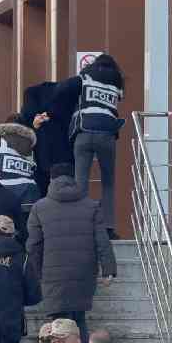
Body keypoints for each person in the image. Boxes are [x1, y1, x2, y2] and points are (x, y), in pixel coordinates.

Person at [26, 163, 117, 343]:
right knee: (79, 319)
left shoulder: (39, 208)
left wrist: (35, 274)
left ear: (51, 179)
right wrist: (108, 269)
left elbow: (34, 245)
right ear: (73, 179)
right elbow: (102, 240)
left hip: (52, 274)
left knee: (57, 324)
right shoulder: (91, 206)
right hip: (83, 272)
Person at [52, 54, 126, 240]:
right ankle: (108, 227)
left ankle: (80, 225)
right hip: (107, 136)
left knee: (81, 181)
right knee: (108, 182)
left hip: (84, 132)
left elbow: (60, 90)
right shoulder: (116, 84)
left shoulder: (84, 78)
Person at [19, 82, 76, 199]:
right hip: (65, 159)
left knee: (42, 190)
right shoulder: (65, 107)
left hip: (40, 160)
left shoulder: (31, 112)